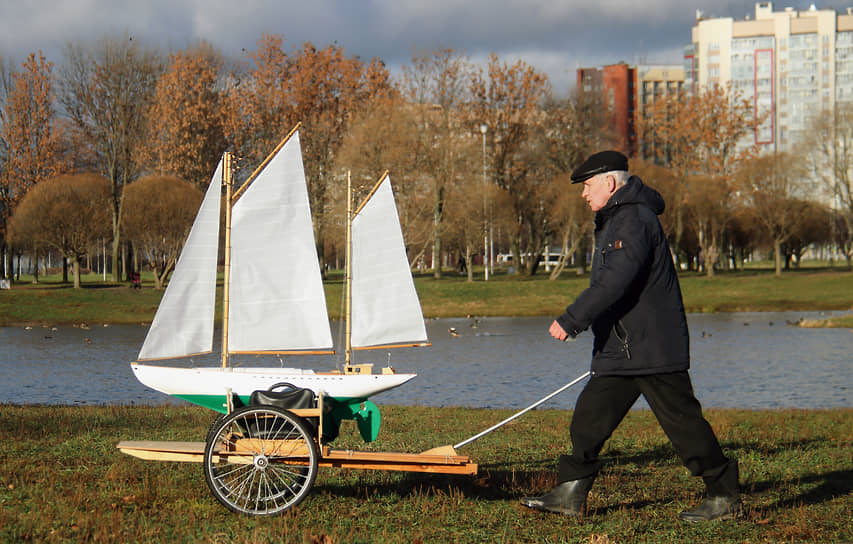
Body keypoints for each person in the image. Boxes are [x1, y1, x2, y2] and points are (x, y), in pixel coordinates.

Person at [520, 150, 742, 522]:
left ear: (609, 183)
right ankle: (569, 494)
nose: (583, 194)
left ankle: (724, 496)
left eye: (587, 186)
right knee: (588, 420)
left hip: (651, 348)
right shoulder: (617, 219)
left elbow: (616, 281)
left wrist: (572, 319)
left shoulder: (633, 219)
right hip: (622, 351)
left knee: (685, 427)